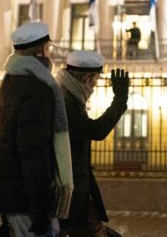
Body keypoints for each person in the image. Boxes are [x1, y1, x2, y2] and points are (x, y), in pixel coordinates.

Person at [0, 22, 73, 237]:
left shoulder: (10, 83)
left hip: (11, 195)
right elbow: (33, 154)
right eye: (49, 49)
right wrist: (41, 209)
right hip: (27, 201)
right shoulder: (38, 88)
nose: (51, 54)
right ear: (40, 51)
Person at [55, 51, 130, 237]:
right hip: (71, 189)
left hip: (76, 187)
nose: (95, 85)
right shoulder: (67, 102)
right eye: (96, 79)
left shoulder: (69, 95)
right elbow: (96, 130)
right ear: (87, 77)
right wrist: (119, 100)